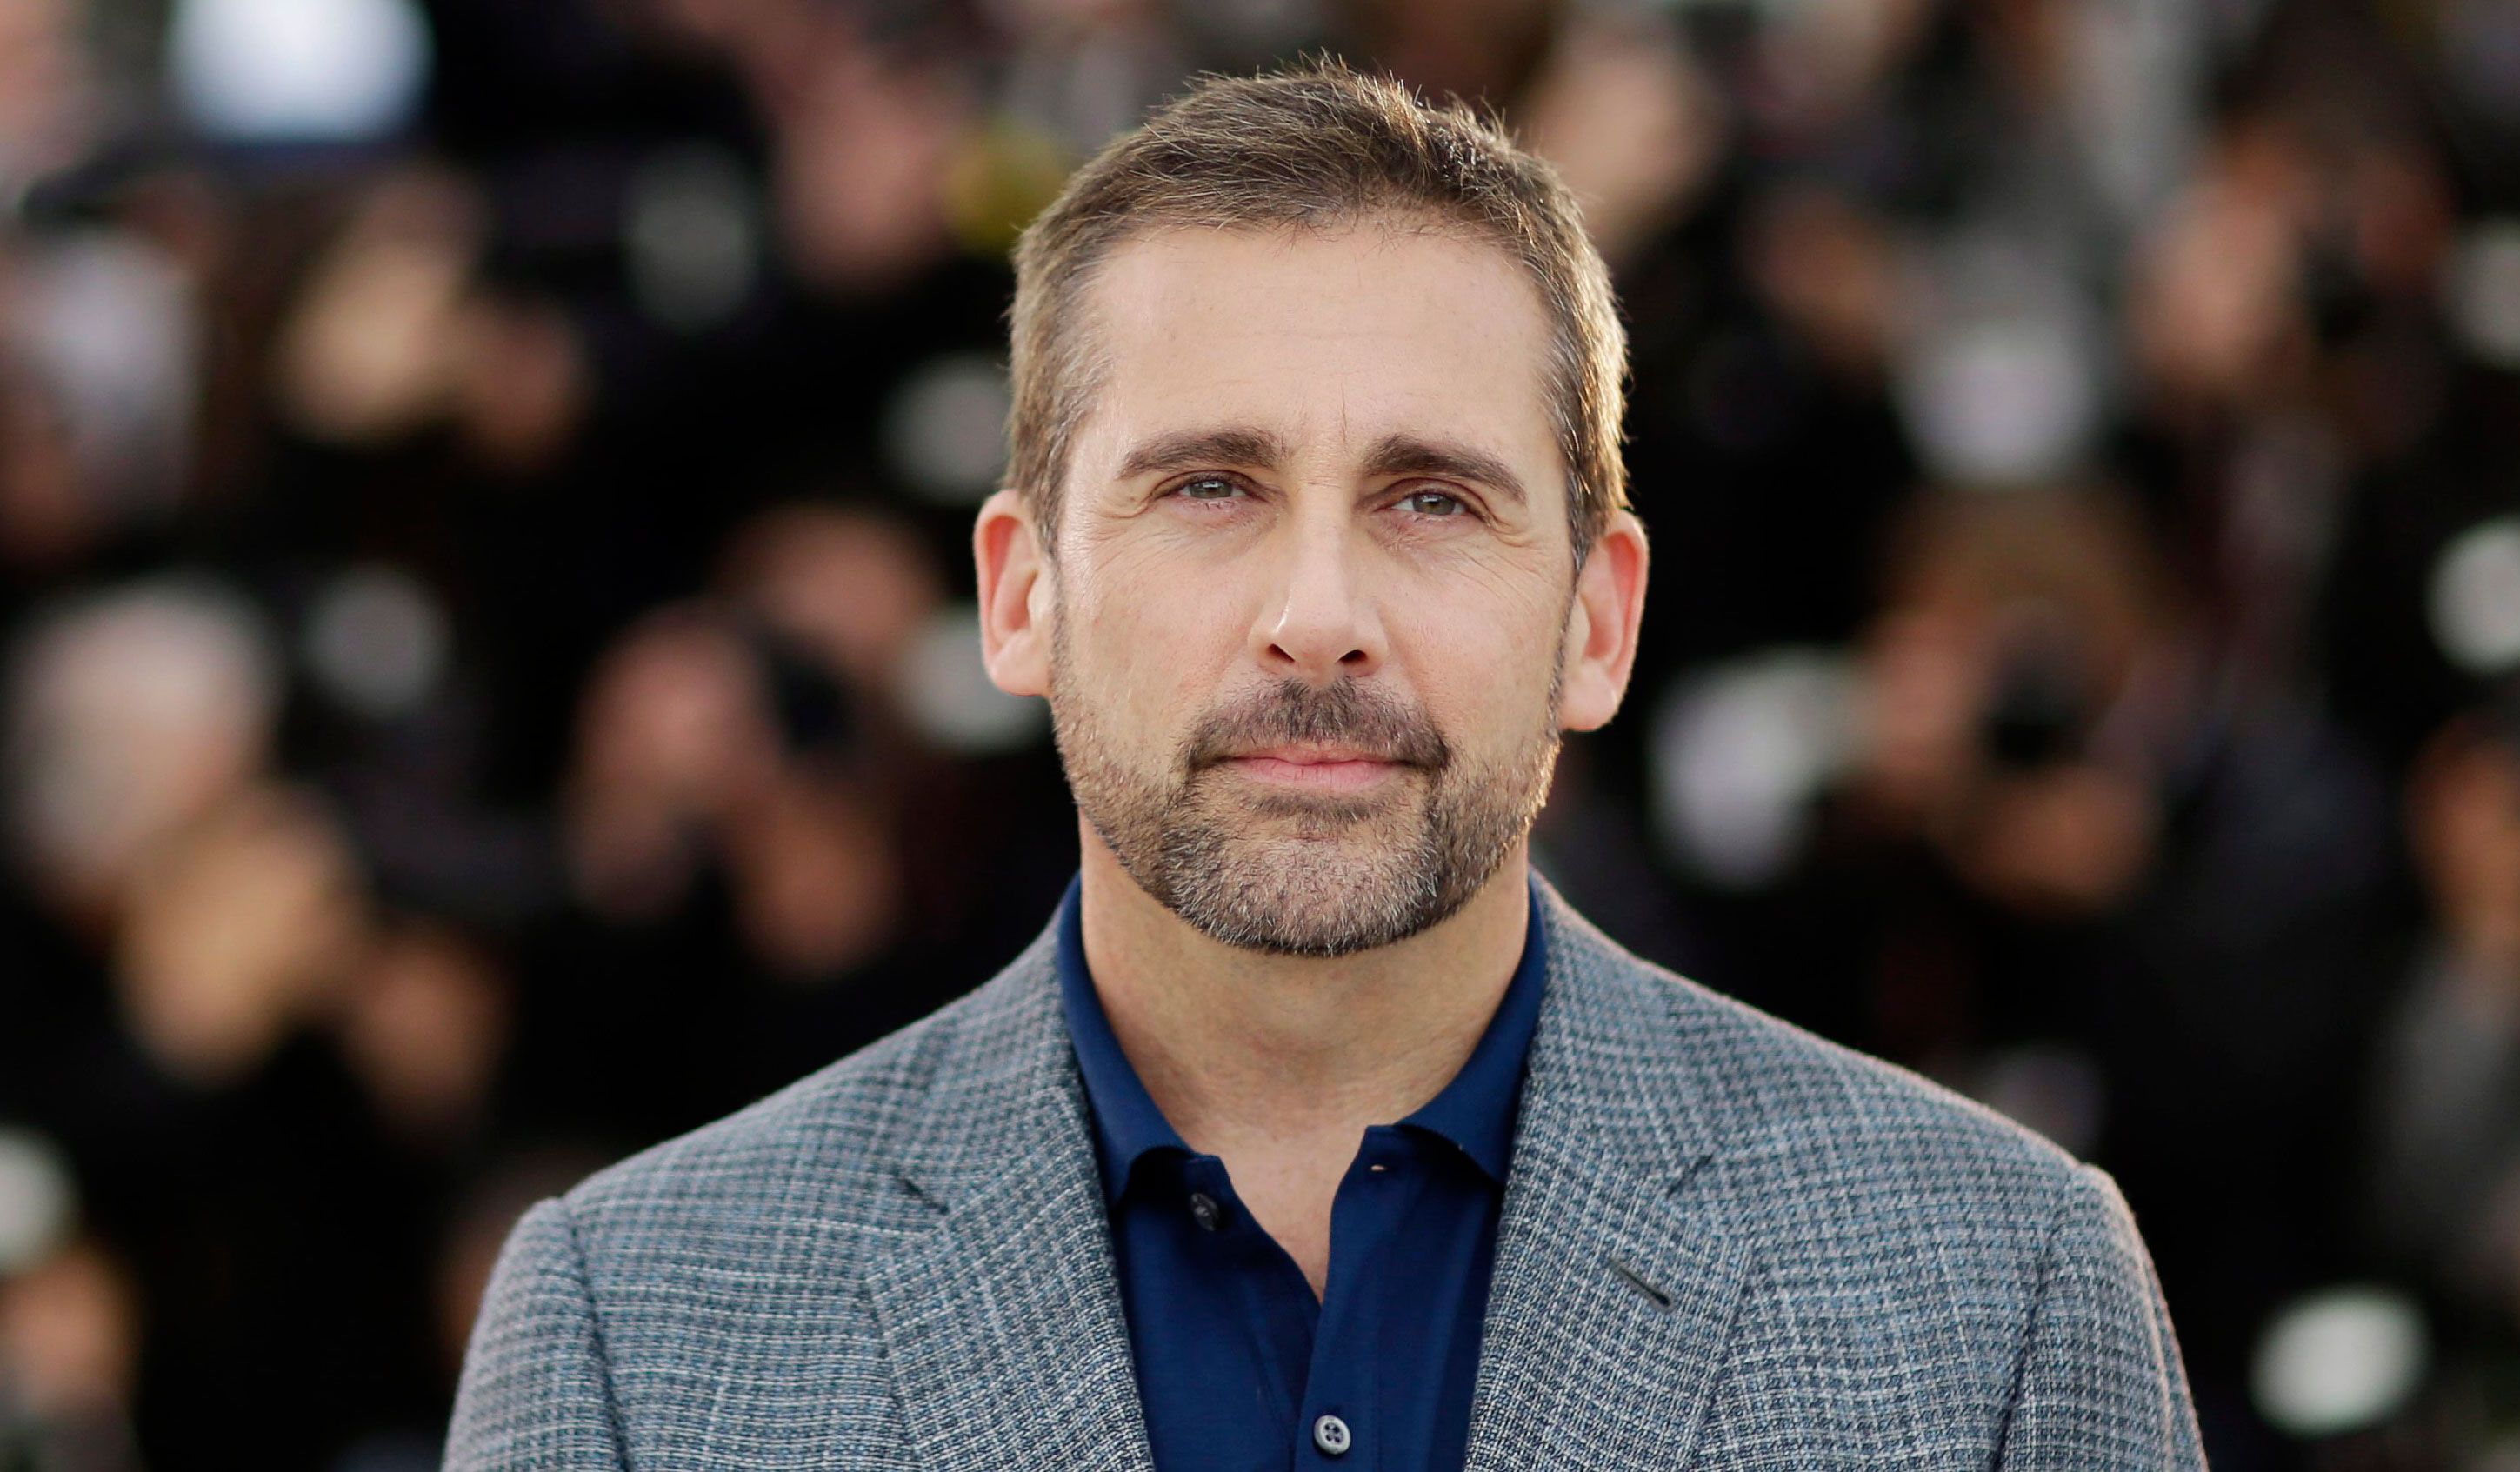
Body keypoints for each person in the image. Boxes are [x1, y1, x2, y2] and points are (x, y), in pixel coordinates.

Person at [443, 63, 2204, 1470]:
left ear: (1598, 621)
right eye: (1208, 487)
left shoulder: (1994, 1292)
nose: (1315, 619)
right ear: (1018, 596)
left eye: (1429, 499)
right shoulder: (634, 1330)